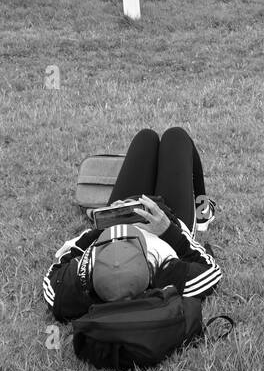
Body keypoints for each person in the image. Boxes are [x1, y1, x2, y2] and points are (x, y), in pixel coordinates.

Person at [43, 127, 221, 323]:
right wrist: (169, 231)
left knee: (146, 137)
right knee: (176, 137)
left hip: (122, 212)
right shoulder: (165, 273)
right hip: (167, 220)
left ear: (93, 269)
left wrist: (104, 227)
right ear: (149, 267)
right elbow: (211, 271)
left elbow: (55, 273)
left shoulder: (77, 288)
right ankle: (203, 212)